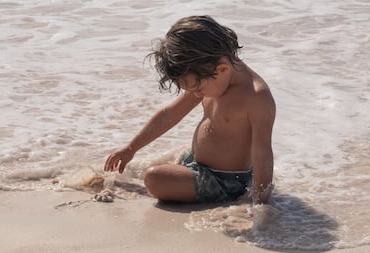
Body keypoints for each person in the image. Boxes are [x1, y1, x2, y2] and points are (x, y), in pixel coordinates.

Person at [104, 15, 275, 205]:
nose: (196, 94)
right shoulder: (209, 75)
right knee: (139, 171)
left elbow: (263, 153)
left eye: (198, 89)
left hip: (225, 182)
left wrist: (260, 205)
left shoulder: (255, 97)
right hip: (194, 161)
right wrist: (131, 148)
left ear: (223, 69)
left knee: (154, 178)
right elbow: (170, 114)